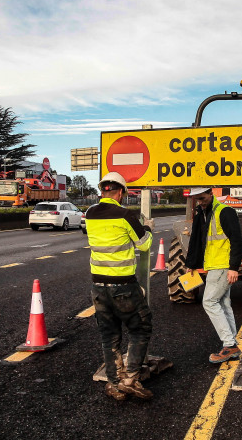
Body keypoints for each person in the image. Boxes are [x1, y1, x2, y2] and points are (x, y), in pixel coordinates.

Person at [86, 171, 155, 401]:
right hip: (123, 286)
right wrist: (149, 229)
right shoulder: (125, 214)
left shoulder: (90, 214)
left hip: (98, 285)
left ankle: (115, 384)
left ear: (102, 190)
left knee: (109, 335)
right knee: (140, 328)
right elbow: (144, 246)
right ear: (121, 192)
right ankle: (130, 380)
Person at [184, 188, 242, 364]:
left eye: (203, 198)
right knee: (224, 304)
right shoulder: (202, 212)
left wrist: (234, 267)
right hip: (214, 266)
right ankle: (232, 344)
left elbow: (237, 240)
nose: (201, 202)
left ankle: (229, 344)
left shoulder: (225, 212)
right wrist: (192, 265)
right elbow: (196, 239)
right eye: (197, 200)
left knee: (209, 301)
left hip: (223, 265)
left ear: (211, 194)